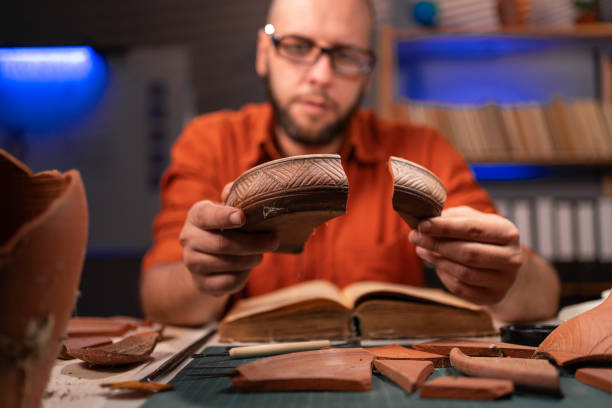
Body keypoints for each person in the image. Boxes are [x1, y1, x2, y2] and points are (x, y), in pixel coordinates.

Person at [140, 0, 560, 326]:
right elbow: (158, 298)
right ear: (263, 53)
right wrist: (200, 278)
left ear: (367, 73)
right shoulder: (209, 142)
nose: (321, 75)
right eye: (297, 46)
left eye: (345, 56)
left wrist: (507, 275)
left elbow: (542, 296)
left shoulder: (422, 149)